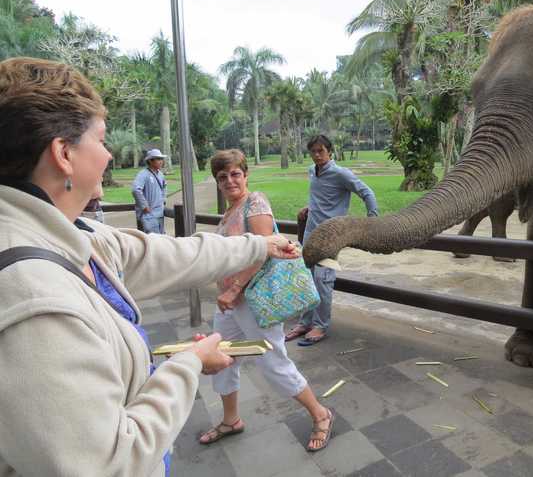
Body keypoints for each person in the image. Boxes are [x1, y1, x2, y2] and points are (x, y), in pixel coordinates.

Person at [0, 57, 299, 477]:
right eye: (101, 140)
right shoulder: (34, 302)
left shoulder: (70, 234)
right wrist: (188, 365)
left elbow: (168, 255)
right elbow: (108, 463)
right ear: (63, 154)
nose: (108, 154)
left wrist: (259, 245)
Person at [198, 149, 334, 452]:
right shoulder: (231, 211)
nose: (229, 180)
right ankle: (231, 419)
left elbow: (264, 250)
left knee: (273, 364)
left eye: (235, 174)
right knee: (220, 358)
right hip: (231, 305)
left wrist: (234, 290)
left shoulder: (255, 202)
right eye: (223, 176)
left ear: (245, 175)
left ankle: (321, 414)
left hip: (254, 301)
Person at [285, 135, 378, 346]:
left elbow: (366, 192)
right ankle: (305, 322)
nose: (317, 155)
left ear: (330, 151)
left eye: (321, 151)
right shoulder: (312, 171)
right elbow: (321, 196)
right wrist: (309, 208)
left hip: (330, 237)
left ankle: (320, 326)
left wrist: (373, 219)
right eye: (313, 152)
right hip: (310, 234)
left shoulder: (340, 173)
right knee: (306, 280)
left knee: (322, 280)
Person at [132, 148, 168, 234]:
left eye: (161, 159)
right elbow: (135, 190)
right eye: (158, 159)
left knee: (161, 240)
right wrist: (144, 206)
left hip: (160, 214)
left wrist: (163, 200)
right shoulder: (143, 174)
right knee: (154, 242)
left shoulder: (160, 174)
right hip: (149, 216)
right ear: (151, 161)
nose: (161, 161)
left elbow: (164, 187)